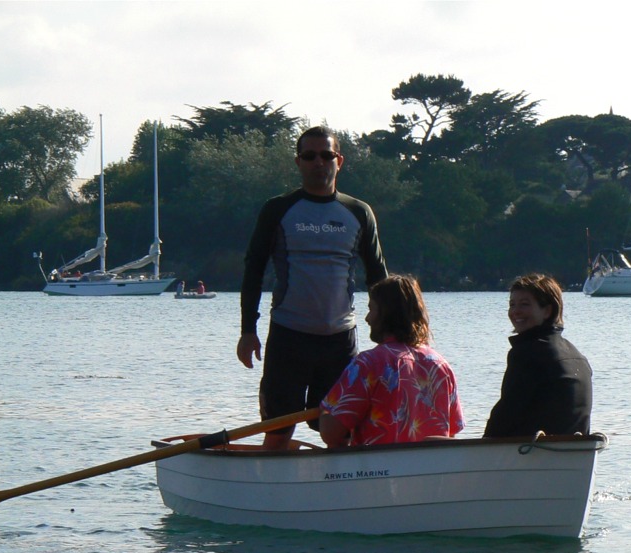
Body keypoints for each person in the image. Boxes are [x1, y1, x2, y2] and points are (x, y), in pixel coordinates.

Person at [236, 126, 388, 449]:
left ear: (339, 161)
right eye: (309, 156)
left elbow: (379, 278)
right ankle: (271, 479)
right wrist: (248, 330)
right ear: (298, 162)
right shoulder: (277, 209)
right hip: (289, 337)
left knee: (339, 433)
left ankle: (342, 482)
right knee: (279, 430)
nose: (318, 162)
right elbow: (254, 270)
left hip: (340, 341)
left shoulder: (358, 212)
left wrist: (391, 336)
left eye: (326, 155)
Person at [319, 274, 464, 447]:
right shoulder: (441, 366)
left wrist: (325, 412)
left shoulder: (368, 364)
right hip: (431, 464)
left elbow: (330, 434)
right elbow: (451, 434)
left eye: (371, 309)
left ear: (386, 313)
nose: (367, 318)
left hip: (378, 464)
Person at [483, 273, 592, 438]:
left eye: (525, 304)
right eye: (512, 305)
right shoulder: (578, 356)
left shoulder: (528, 353)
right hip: (577, 448)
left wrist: (483, 445)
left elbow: (507, 412)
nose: (516, 311)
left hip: (534, 450)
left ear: (547, 311)